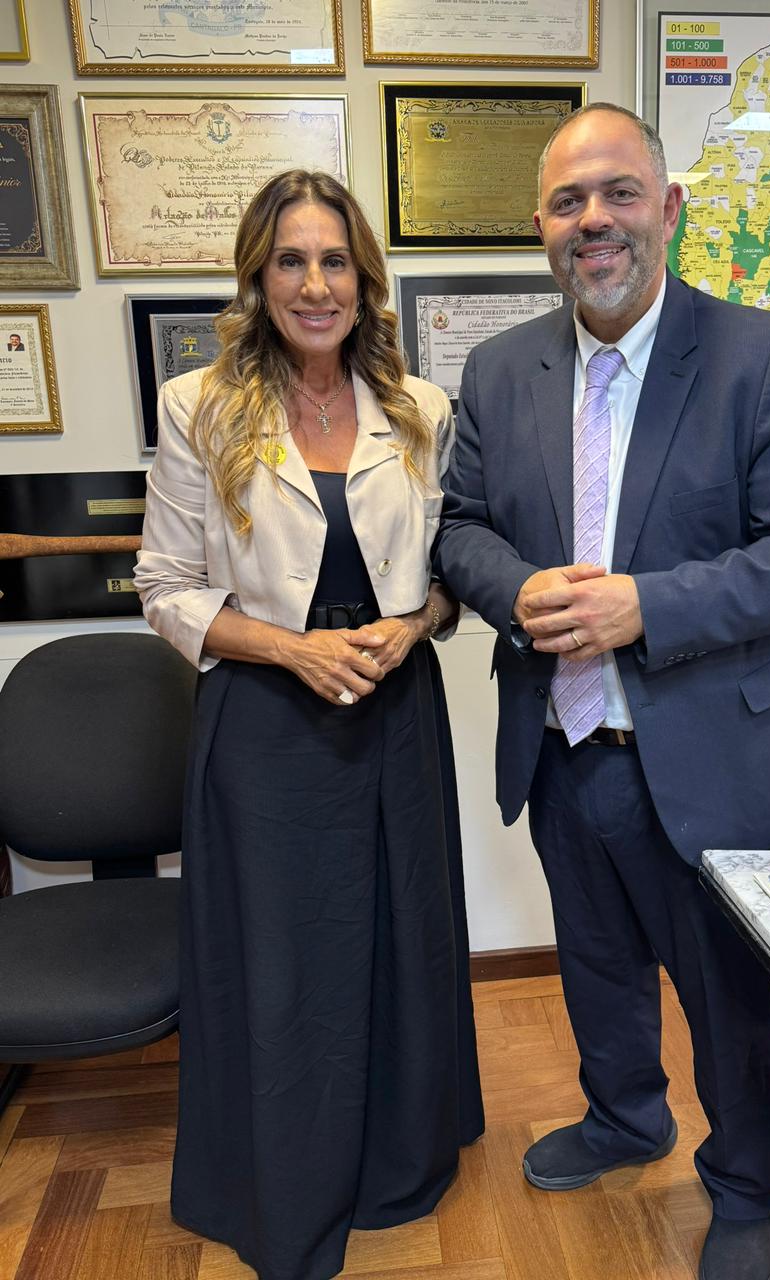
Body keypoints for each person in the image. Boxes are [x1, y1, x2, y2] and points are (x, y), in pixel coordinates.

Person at [434, 104, 770, 1280]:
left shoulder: (763, 354)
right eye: (568, 201)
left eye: (619, 192)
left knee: (728, 995)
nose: (595, 221)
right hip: (561, 740)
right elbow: (460, 529)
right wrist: (517, 587)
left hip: (715, 749)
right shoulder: (500, 368)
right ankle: (626, 1116)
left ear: (667, 208)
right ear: (541, 225)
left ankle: (746, 1183)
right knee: (595, 958)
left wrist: (649, 605)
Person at [135, 169, 484, 1280]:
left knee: (400, 935)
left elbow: (452, 575)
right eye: (291, 260)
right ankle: (286, 1178)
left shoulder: (421, 408)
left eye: (335, 260)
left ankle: (396, 1162)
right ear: (259, 276)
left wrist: (413, 625)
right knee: (282, 961)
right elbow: (164, 588)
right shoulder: (197, 406)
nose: (316, 284)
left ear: (365, 280)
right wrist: (293, 648)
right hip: (265, 721)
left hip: (395, 711)